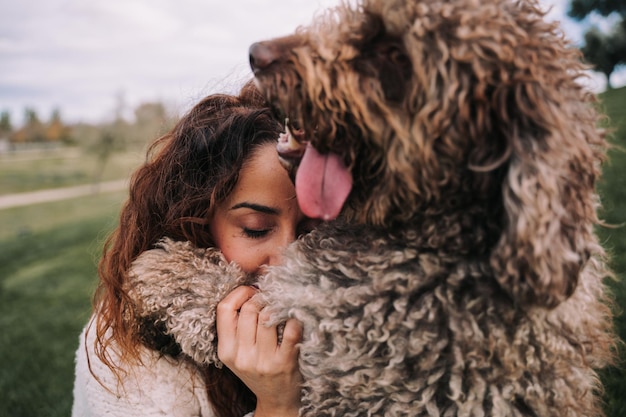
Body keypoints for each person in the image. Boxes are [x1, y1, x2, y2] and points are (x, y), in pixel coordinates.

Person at [71, 81, 308, 417]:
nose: (289, 260)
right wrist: (279, 405)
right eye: (256, 229)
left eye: (312, 231)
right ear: (196, 222)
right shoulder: (126, 350)